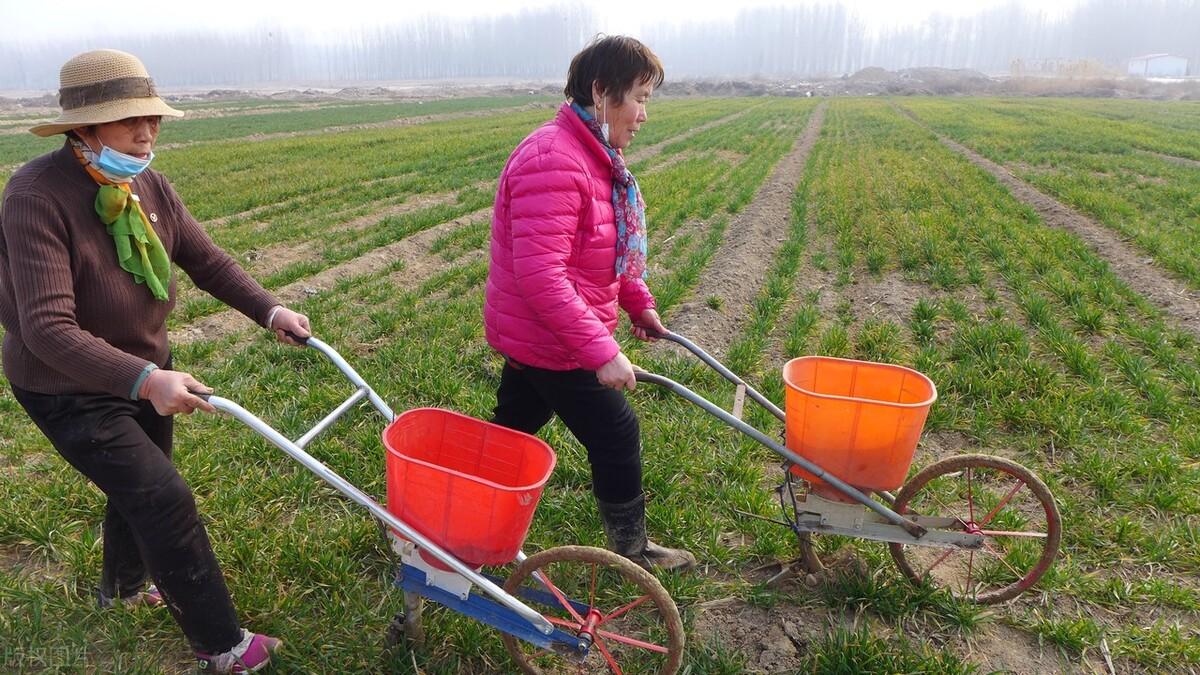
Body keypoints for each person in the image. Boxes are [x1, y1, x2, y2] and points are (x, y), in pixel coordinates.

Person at [0, 49, 307, 673]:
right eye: (129, 120)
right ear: (83, 131)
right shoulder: (36, 195)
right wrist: (143, 379)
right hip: (65, 384)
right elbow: (47, 329)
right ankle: (222, 645)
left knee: (136, 486)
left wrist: (270, 311)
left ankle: (125, 589)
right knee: (162, 496)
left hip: (143, 368)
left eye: (153, 118)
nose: (147, 133)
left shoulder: (145, 183)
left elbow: (206, 260)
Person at [483, 36, 695, 571]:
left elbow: (601, 252)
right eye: (639, 97)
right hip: (549, 339)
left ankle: (456, 508)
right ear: (601, 92)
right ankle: (633, 551)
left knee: (512, 430)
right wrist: (601, 351)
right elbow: (541, 274)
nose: (644, 114)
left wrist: (636, 301)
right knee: (616, 430)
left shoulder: (592, 156)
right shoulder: (553, 159)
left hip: (543, 334)